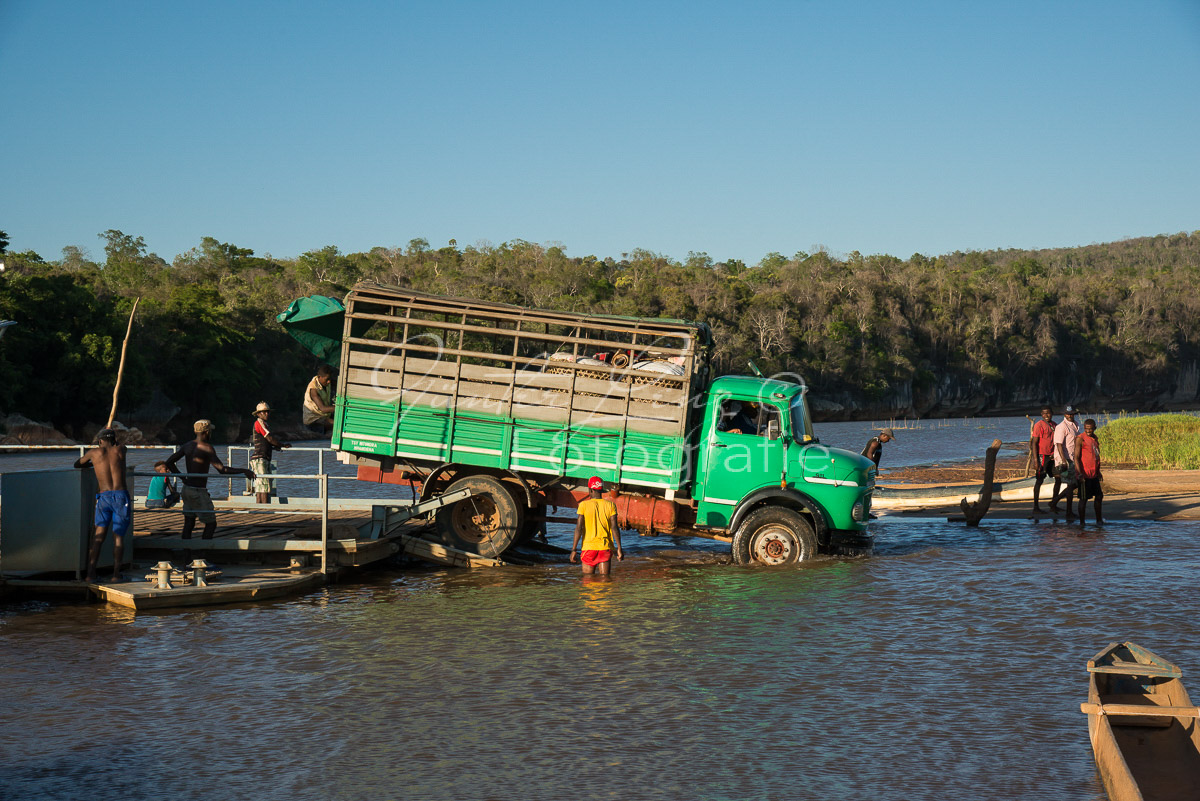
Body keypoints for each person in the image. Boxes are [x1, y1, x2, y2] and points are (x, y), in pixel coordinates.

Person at [165, 419, 255, 540]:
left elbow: (169, 462)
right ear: (206, 432)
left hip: (186, 489)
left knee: (189, 523)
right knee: (211, 524)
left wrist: (183, 478)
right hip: (198, 491)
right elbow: (222, 470)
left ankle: (186, 556)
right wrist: (244, 470)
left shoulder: (187, 446)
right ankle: (203, 554)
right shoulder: (207, 448)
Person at [72, 428, 131, 583]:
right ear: (114, 440)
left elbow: (77, 464)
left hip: (104, 497)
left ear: (99, 441)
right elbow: (121, 445)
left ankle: (90, 574)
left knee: (98, 537)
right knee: (118, 538)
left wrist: (94, 463)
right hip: (120, 496)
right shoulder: (121, 450)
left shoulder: (94, 453)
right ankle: (116, 575)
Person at [569, 476, 624, 575]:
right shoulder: (611, 505)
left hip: (588, 548)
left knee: (588, 582)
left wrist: (574, 549)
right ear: (601, 490)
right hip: (604, 547)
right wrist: (619, 548)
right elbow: (614, 528)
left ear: (590, 490)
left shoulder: (583, 505)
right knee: (605, 581)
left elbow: (578, 528)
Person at [247, 401, 291, 503]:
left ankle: (262, 508)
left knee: (263, 485)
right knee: (263, 485)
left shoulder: (265, 424)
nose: (266, 414)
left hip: (263, 458)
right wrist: (282, 445)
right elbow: (269, 438)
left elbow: (268, 442)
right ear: (258, 414)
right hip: (259, 458)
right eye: (264, 412)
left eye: (267, 412)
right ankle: (263, 508)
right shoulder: (259, 423)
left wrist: (275, 446)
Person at [1050, 404, 1081, 518]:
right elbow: (1058, 444)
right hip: (1065, 460)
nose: (1070, 416)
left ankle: (1055, 501)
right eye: (1068, 414)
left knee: (1073, 484)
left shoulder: (1075, 425)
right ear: (1064, 414)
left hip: (1073, 458)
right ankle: (1068, 511)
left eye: (1072, 414)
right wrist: (1063, 460)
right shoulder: (1061, 427)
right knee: (1071, 484)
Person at [1074, 418, 1104, 526]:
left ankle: (1099, 520)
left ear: (1094, 428)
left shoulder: (1095, 438)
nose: (1088, 431)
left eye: (1090, 429)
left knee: (1099, 496)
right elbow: (1076, 457)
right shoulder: (1080, 439)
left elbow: (1096, 456)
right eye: (1086, 429)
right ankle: (1082, 523)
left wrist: (1098, 471)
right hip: (1084, 475)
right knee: (1083, 499)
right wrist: (1079, 473)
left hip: (1094, 474)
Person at [1030, 406, 1057, 513]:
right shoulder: (1039, 425)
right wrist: (1036, 460)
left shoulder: (1054, 425)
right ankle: (1036, 507)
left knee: (1058, 478)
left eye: (1048, 413)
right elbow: (1034, 443)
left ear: (1052, 413)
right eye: (1044, 413)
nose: (1046, 415)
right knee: (1039, 480)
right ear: (1041, 414)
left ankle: (1054, 503)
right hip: (1042, 455)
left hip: (1053, 456)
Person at [302, 364, 336, 433]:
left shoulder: (326, 383)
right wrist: (339, 408)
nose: (329, 381)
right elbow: (322, 408)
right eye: (327, 379)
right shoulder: (313, 389)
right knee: (337, 423)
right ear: (319, 377)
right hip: (313, 421)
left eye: (330, 379)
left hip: (323, 416)